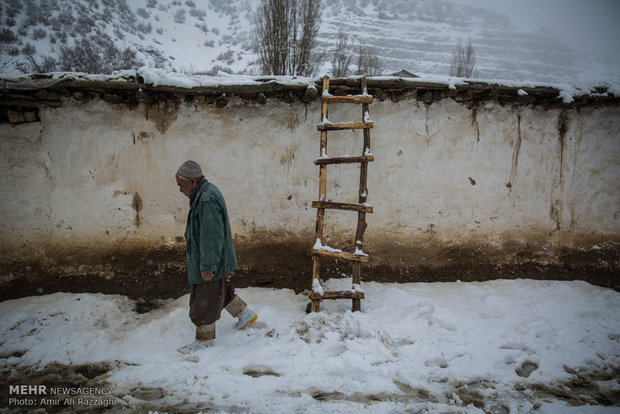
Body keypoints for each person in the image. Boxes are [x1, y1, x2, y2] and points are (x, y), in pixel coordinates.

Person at [175, 160, 257, 354]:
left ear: (193, 181)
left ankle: (204, 343)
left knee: (203, 300)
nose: (180, 189)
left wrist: (208, 265)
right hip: (211, 258)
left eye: (181, 184)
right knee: (219, 290)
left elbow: (211, 235)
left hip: (211, 259)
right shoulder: (205, 192)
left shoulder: (206, 199)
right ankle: (245, 315)